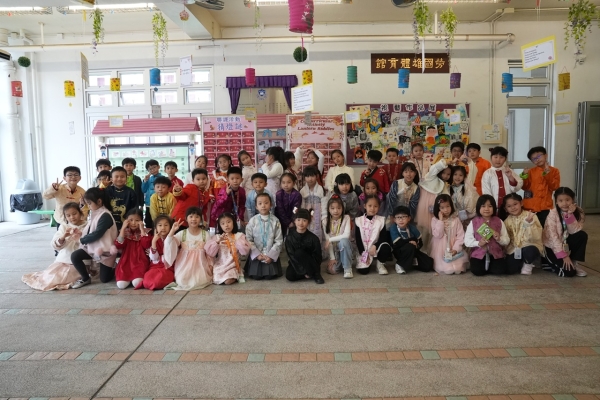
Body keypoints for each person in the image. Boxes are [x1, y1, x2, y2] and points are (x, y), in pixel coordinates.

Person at [22, 203, 89, 291]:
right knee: (50, 277)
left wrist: (79, 237)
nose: (72, 217)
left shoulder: (87, 225)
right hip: (63, 260)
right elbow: (54, 245)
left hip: (80, 262)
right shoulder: (64, 226)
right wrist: (63, 237)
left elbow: (91, 244)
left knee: (64, 278)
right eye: (68, 215)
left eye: (74, 214)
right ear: (65, 217)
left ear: (80, 213)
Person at [70, 188, 118, 288]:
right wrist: (80, 233)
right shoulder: (96, 212)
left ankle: (118, 267)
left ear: (99, 201)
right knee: (75, 256)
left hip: (106, 251)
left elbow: (97, 234)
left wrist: (81, 240)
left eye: (89, 203)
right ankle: (85, 278)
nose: (88, 206)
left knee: (104, 279)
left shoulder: (105, 215)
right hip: (93, 248)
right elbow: (91, 229)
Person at [164, 207, 213, 290]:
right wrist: (172, 231)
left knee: (200, 280)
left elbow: (209, 253)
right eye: (191, 216)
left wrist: (210, 265)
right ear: (186, 218)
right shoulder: (182, 233)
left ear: (201, 219)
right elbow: (170, 243)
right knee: (181, 280)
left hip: (200, 265)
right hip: (184, 266)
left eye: (197, 217)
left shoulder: (205, 234)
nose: (194, 219)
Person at [543, 187, 588, 277]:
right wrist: (563, 256)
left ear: (573, 199)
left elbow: (574, 231)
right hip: (552, 247)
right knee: (569, 273)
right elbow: (553, 238)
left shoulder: (579, 211)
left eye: (567, 200)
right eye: (561, 200)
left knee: (582, 235)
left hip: (566, 242)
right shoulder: (552, 214)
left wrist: (569, 214)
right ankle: (545, 262)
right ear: (556, 201)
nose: (564, 203)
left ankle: (574, 262)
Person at [465, 195, 510, 276]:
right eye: (483, 206)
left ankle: (490, 266)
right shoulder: (473, 222)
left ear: (494, 208)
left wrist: (499, 239)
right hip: (478, 253)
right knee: (477, 271)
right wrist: (478, 243)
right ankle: (485, 266)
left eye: (490, 206)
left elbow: (507, 240)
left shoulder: (499, 221)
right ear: (478, 207)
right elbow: (467, 241)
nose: (486, 209)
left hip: (496, 253)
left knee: (500, 270)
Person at [415, 158, 452, 252]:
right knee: (424, 230)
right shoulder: (431, 177)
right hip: (424, 208)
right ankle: (420, 251)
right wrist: (445, 162)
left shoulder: (444, 184)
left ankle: (429, 252)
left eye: (448, 174)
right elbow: (434, 168)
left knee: (433, 231)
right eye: (444, 173)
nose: (446, 176)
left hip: (435, 210)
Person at [245, 193, 284, 280]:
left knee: (269, 276)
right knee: (256, 276)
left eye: (266, 203)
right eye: (260, 203)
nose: (263, 206)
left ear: (271, 205)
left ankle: (271, 262)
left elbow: (279, 240)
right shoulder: (252, 221)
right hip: (257, 254)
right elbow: (248, 239)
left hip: (270, 254)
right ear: (256, 206)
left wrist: (271, 256)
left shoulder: (275, 221)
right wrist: (257, 254)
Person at [503, 193, 543, 275]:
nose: (513, 207)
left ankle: (528, 263)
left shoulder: (530, 216)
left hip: (529, 245)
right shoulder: (507, 221)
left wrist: (529, 223)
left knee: (530, 250)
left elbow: (536, 236)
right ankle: (522, 262)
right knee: (510, 270)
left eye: (515, 204)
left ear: (521, 203)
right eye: (509, 206)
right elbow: (507, 239)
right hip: (514, 249)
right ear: (505, 209)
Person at [205, 212, 251, 285]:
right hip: (220, 264)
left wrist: (234, 241)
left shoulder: (239, 236)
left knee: (227, 281)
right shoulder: (217, 237)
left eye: (228, 222)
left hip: (233, 264)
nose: (226, 225)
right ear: (220, 226)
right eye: (223, 223)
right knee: (216, 279)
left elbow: (244, 252)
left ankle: (235, 274)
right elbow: (210, 253)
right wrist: (218, 242)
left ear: (233, 222)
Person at [520, 146, 560, 226]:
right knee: (530, 228)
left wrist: (547, 174)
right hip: (530, 206)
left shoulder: (554, 171)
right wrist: (524, 176)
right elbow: (525, 187)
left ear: (546, 155)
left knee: (545, 227)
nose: (537, 159)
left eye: (539, 156)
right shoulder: (531, 171)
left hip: (545, 206)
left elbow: (555, 187)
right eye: (534, 159)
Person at [430, 194, 468, 275]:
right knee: (445, 267)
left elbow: (460, 236)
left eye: (448, 206)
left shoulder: (456, 220)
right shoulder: (435, 220)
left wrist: (456, 249)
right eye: (442, 207)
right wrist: (440, 221)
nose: (446, 210)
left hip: (453, 247)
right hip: (440, 250)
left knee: (458, 267)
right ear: (438, 208)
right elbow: (438, 235)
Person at [113, 209, 151, 289]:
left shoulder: (146, 232)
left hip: (140, 262)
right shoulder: (124, 232)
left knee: (137, 283)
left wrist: (142, 229)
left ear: (141, 221)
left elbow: (146, 245)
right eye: (131, 220)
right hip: (126, 263)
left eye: (137, 220)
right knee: (121, 285)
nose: (133, 223)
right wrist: (123, 228)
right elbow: (118, 245)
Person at [355, 195, 393, 275]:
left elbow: (383, 237)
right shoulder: (358, 220)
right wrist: (364, 254)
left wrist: (375, 245)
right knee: (364, 271)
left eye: (375, 206)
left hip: (376, 247)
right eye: (370, 206)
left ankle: (380, 264)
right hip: (363, 249)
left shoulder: (381, 220)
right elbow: (358, 239)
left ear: (379, 207)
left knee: (386, 246)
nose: (372, 208)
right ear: (365, 206)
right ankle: (365, 261)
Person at [285, 208, 325, 284]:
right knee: (289, 275)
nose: (301, 223)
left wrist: (310, 269)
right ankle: (307, 274)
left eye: (304, 220)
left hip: (310, 264)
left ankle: (315, 274)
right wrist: (304, 271)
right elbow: (291, 256)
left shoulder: (314, 238)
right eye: (298, 220)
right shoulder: (289, 238)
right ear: (294, 221)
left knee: (300, 252)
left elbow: (317, 257)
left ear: (308, 222)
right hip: (297, 263)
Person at [389, 206, 433, 274]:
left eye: (404, 217)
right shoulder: (393, 228)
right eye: (398, 217)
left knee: (428, 264)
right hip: (399, 251)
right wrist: (412, 240)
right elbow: (399, 243)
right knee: (410, 246)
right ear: (394, 219)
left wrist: (416, 244)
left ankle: (410, 263)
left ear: (409, 218)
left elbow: (420, 242)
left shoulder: (412, 228)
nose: (401, 220)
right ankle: (399, 264)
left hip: (413, 250)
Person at [43, 166, 88, 231]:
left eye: (76, 175)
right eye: (70, 175)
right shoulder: (59, 188)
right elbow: (45, 196)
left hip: (75, 220)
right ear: (64, 178)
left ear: (80, 178)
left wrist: (82, 206)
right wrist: (53, 189)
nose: (73, 177)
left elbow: (84, 209)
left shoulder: (82, 192)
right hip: (61, 219)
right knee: (61, 235)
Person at [137, 215, 175, 290]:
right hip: (155, 266)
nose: (163, 228)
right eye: (160, 225)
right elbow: (154, 258)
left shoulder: (174, 239)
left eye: (166, 225)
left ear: (170, 227)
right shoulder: (152, 239)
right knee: (147, 279)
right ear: (156, 228)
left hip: (168, 267)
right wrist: (154, 242)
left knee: (159, 279)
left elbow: (171, 256)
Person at [322, 195, 353, 277]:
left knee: (343, 241)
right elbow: (328, 241)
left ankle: (348, 269)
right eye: (332, 208)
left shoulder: (346, 218)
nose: (336, 211)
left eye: (339, 208)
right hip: (335, 251)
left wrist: (330, 239)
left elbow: (346, 236)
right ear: (328, 209)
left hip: (345, 247)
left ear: (342, 209)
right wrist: (332, 258)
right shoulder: (325, 221)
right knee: (333, 270)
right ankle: (343, 262)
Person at [300, 166, 326, 249]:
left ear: (316, 176)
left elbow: (324, 205)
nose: (310, 179)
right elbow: (302, 206)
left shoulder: (321, 189)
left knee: (318, 233)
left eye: (312, 176)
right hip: (307, 215)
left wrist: (324, 217)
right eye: (307, 176)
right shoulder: (302, 190)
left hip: (318, 215)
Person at [105, 166, 138, 231]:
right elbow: (96, 198)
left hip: (126, 223)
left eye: (122, 177)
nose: (119, 179)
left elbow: (134, 209)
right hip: (109, 223)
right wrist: (102, 186)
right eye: (116, 177)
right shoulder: (107, 191)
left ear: (126, 178)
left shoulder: (131, 192)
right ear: (111, 179)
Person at [449, 165, 478, 230]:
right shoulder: (450, 188)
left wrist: (469, 161)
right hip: (458, 217)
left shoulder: (467, 186)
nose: (457, 177)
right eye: (455, 174)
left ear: (464, 177)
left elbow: (473, 170)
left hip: (471, 214)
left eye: (460, 175)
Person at [275, 173, 302, 237]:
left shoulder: (297, 195)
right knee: (280, 236)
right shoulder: (279, 194)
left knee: (292, 236)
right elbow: (280, 210)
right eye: (283, 183)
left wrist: (292, 221)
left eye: (289, 182)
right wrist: (288, 222)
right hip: (280, 219)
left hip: (293, 220)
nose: (286, 185)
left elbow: (295, 209)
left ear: (294, 183)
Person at [141, 159, 163, 228]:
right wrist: (145, 181)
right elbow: (143, 190)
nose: (153, 170)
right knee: (148, 221)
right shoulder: (148, 179)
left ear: (158, 167)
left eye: (154, 167)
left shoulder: (163, 178)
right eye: (150, 169)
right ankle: (149, 234)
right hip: (148, 204)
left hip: (159, 203)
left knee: (158, 221)